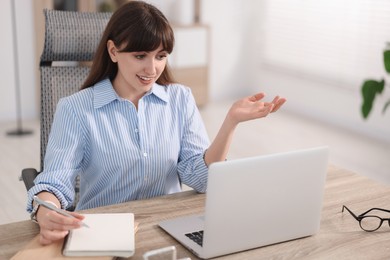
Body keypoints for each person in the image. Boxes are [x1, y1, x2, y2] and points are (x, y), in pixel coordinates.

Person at [27, 1, 286, 245]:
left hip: (169, 229)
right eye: (140, 56)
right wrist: (45, 210)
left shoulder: (180, 98)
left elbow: (201, 178)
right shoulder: (76, 109)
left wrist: (230, 123)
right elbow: (54, 182)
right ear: (113, 51)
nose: (152, 69)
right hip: (103, 235)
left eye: (160, 56)